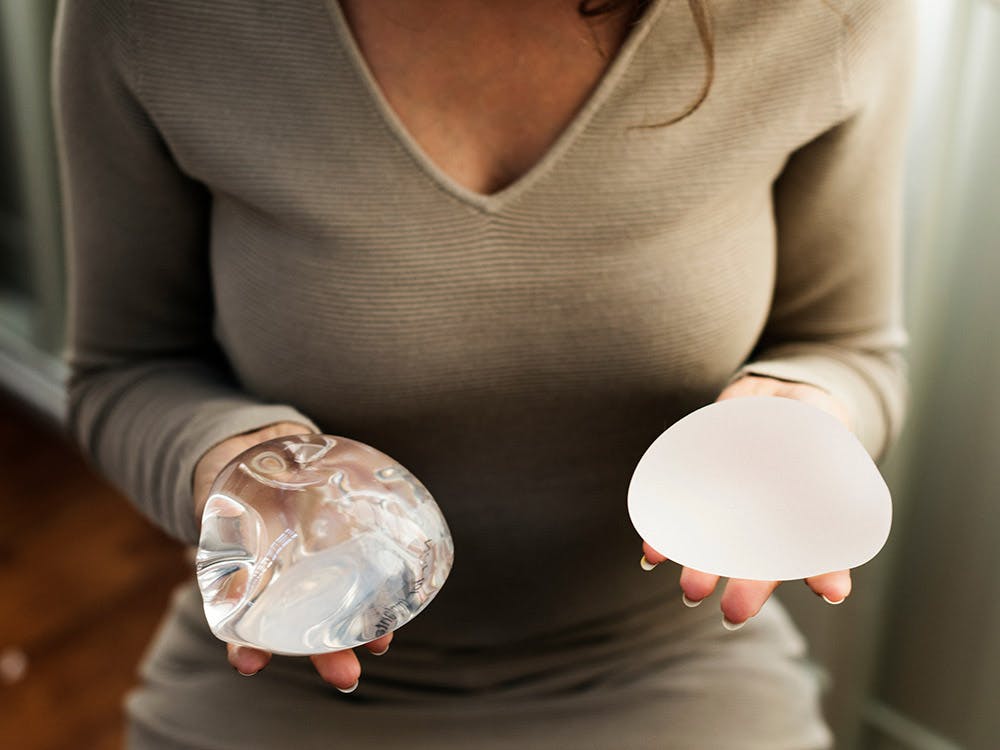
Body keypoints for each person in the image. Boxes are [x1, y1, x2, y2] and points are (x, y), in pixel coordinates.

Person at [53, 0, 913, 747]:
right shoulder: (155, 20)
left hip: (670, 657)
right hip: (288, 655)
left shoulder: (823, 17)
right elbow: (126, 369)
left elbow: (851, 344)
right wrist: (231, 461)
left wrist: (806, 408)